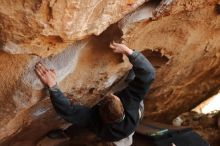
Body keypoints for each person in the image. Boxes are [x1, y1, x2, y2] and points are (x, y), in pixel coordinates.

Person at [35, 42, 156, 146]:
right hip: (130, 123)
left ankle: (66, 135)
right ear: (120, 104)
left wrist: (52, 86)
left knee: (92, 129)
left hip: (114, 136)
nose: (112, 94)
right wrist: (130, 53)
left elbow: (68, 110)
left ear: (99, 111)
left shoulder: (94, 120)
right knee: (134, 82)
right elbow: (149, 74)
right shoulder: (131, 102)